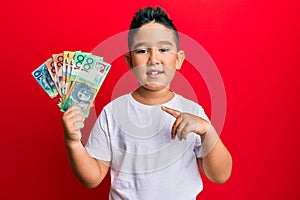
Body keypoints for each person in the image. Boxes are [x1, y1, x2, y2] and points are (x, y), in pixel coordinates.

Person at [62, 6, 232, 200]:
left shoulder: (193, 112)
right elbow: (92, 178)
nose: (153, 59)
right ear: (130, 61)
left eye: (163, 49)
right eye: (142, 50)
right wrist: (73, 142)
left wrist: (206, 130)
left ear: (179, 60)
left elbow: (220, 175)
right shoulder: (113, 113)